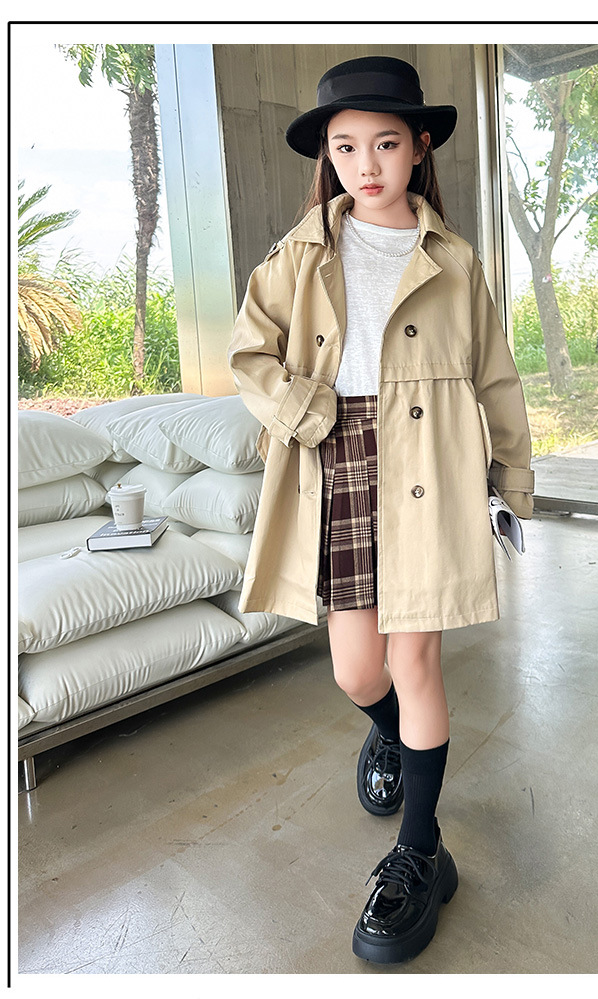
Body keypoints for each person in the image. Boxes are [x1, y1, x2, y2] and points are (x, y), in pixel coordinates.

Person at [227, 55, 534, 965]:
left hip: (433, 464)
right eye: (347, 146)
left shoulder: (455, 259)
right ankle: (391, 738)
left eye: (387, 143)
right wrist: (304, 410)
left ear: (420, 146)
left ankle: (419, 851)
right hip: (337, 457)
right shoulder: (298, 252)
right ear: (328, 155)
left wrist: (510, 480)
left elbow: (495, 378)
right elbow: (250, 354)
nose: (367, 163)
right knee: (358, 669)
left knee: (416, 660)